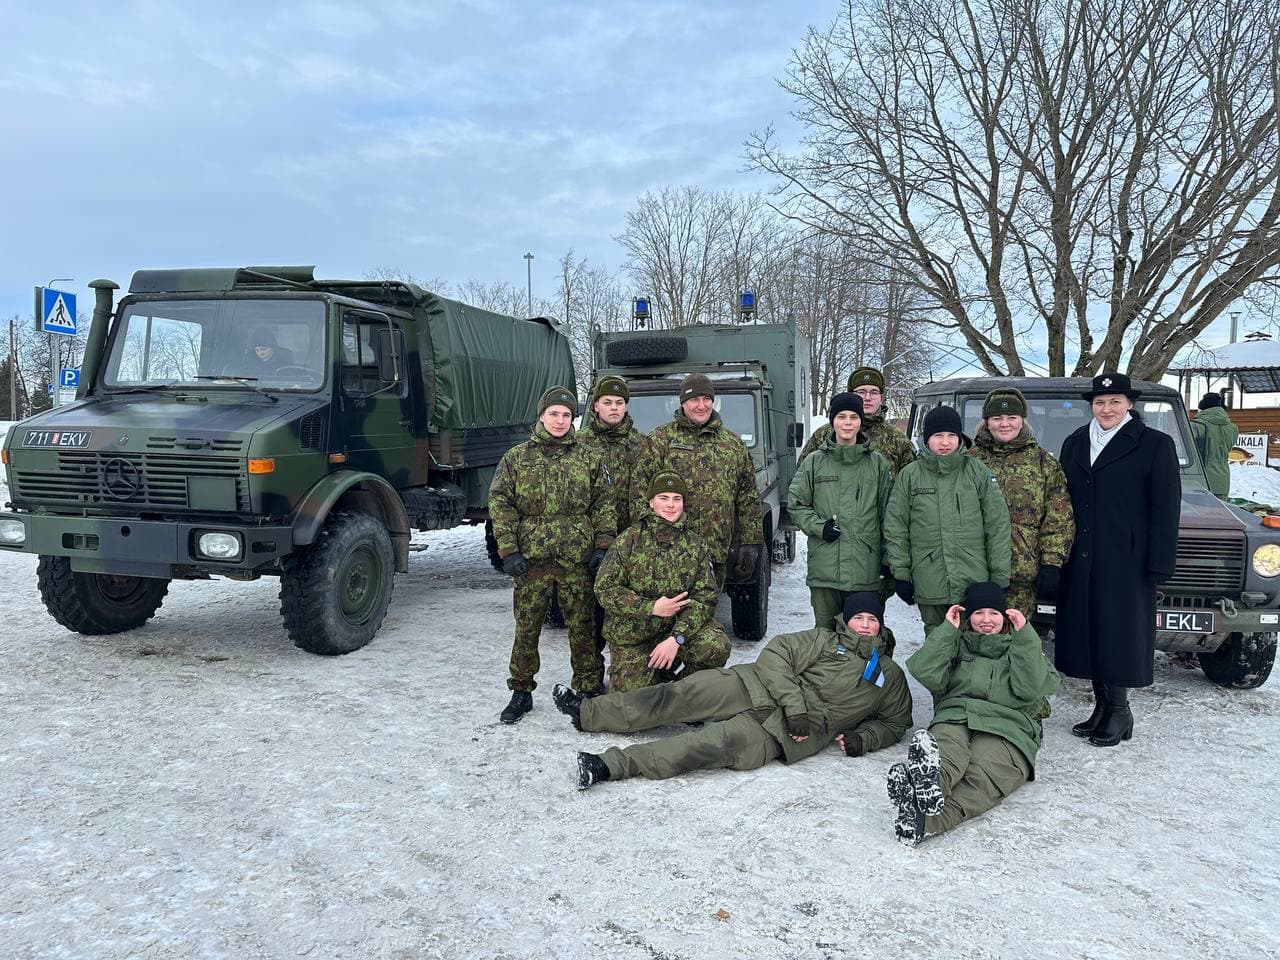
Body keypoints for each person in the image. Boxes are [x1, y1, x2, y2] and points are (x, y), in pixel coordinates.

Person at [553, 592, 912, 790]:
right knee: (682, 694)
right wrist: (795, 706)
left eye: (872, 620)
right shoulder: (823, 640)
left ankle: (608, 765)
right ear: (846, 621)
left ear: (881, 626)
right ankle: (588, 713)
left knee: (706, 745)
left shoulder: (889, 675)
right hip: (756, 685)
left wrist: (865, 739)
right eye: (858, 618)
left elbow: (896, 723)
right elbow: (776, 655)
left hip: (790, 733)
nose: (864, 625)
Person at [1055, 372, 1180, 747]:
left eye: (1114, 402)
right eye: (1100, 402)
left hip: (1127, 559)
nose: (1106, 409)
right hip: (1083, 556)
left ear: (1129, 404)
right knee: (1091, 631)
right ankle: (1102, 707)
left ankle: (1120, 711)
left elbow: (1165, 508)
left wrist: (1160, 562)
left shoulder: (1154, 444)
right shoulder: (1076, 442)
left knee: (1118, 634)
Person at [888, 582, 1060, 846]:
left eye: (993, 613)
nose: (986, 620)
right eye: (979, 613)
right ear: (969, 617)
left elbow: (1032, 689)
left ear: (1005, 617)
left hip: (1008, 726)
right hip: (956, 715)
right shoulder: (958, 644)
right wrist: (948, 630)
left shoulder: (1022, 646)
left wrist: (1026, 637)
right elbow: (924, 671)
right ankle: (928, 785)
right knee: (946, 751)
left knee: (983, 775)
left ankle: (923, 822)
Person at [488, 386, 617, 723]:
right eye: (554, 414)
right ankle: (521, 690)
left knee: (584, 627)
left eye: (566, 415)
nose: (560, 421)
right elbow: (501, 505)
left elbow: (604, 504)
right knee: (527, 627)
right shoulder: (517, 458)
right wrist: (509, 550)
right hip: (532, 559)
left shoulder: (589, 458)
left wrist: (602, 546)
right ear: (541, 416)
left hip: (576, 558)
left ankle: (588, 687)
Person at [594, 471, 730, 692]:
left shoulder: (696, 545)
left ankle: (684, 692)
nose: (670, 505)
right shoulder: (628, 540)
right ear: (651, 502)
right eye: (663, 498)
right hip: (635, 635)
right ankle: (654, 677)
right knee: (636, 701)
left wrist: (677, 638)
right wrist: (651, 607)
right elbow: (604, 589)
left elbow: (705, 597)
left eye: (677, 499)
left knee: (715, 646)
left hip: (675, 630)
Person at [884, 405, 1011, 633]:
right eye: (938, 436)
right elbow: (896, 527)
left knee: (976, 639)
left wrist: (999, 578)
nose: (945, 442)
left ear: (959, 437)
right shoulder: (910, 475)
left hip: (974, 581)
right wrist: (901, 574)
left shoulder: (977, 472)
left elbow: (997, 526)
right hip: (930, 579)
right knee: (937, 639)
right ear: (926, 439)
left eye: (951, 435)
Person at [632, 373, 762, 593]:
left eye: (706, 399)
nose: (701, 406)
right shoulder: (660, 440)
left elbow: (747, 497)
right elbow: (639, 493)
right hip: (668, 551)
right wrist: (644, 540)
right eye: (694, 400)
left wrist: (750, 543)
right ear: (683, 403)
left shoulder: (732, 444)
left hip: (715, 551)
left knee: (706, 606)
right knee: (668, 608)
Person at [787, 392, 894, 630]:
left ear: (860, 421)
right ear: (832, 420)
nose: (847, 423)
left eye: (853, 417)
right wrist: (819, 527)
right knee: (825, 637)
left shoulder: (877, 464)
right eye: (841, 416)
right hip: (825, 569)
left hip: (865, 570)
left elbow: (889, 516)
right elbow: (796, 504)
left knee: (863, 636)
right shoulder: (815, 462)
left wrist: (888, 560)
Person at [965, 387, 1074, 619]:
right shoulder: (969, 461)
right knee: (974, 634)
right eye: (997, 418)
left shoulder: (1043, 463)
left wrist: (1052, 562)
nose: (1005, 424)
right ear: (987, 422)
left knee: (1016, 634)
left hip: (1022, 572)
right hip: (975, 568)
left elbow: (1059, 515)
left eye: (1012, 417)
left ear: (1022, 420)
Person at [577, 374, 649, 651]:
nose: (614, 408)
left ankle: (626, 665)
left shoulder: (642, 444)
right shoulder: (579, 443)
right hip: (590, 540)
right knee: (589, 613)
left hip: (631, 540)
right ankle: (591, 668)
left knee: (628, 608)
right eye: (607, 402)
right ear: (596, 406)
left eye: (619, 402)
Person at [798, 366, 916, 476]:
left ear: (881, 398)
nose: (867, 398)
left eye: (874, 392)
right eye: (861, 392)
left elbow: (911, 482)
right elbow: (802, 476)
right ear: (851, 395)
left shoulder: (897, 439)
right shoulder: (825, 434)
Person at [1189, 392, 1238, 499]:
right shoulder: (1233, 428)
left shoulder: (1197, 425)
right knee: (1219, 509)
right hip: (1223, 480)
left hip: (1201, 478)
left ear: (1203, 407)